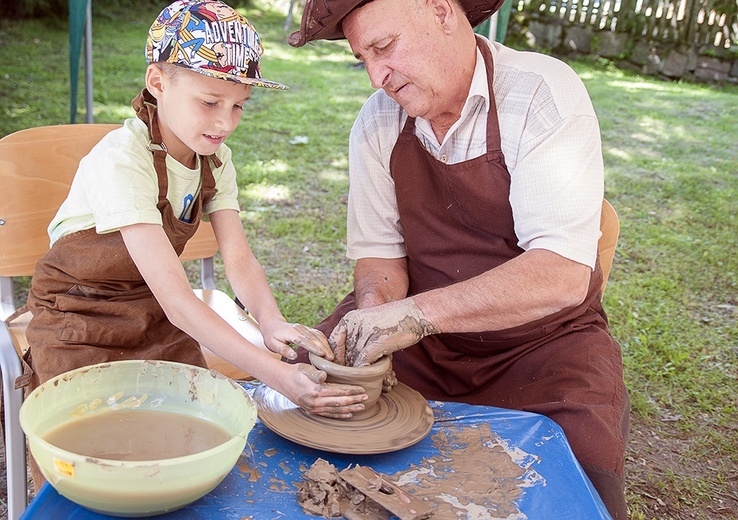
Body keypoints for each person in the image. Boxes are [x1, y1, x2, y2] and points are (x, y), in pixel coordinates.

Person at [288, 0, 630, 517]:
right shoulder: (379, 121)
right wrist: (375, 312)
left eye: (384, 48)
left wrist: (413, 316)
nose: (377, 77)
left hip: (542, 344)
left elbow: (561, 275)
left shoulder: (538, 93)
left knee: (574, 472)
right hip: (424, 341)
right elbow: (381, 258)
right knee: (298, 394)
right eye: (364, 59)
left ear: (443, 13)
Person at [21, 0, 368, 434]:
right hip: (77, 319)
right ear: (158, 82)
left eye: (239, 105)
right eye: (209, 101)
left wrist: (271, 321)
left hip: (153, 311)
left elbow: (239, 261)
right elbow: (180, 300)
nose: (225, 122)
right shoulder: (122, 161)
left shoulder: (215, 162)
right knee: (90, 439)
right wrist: (276, 374)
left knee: (190, 430)